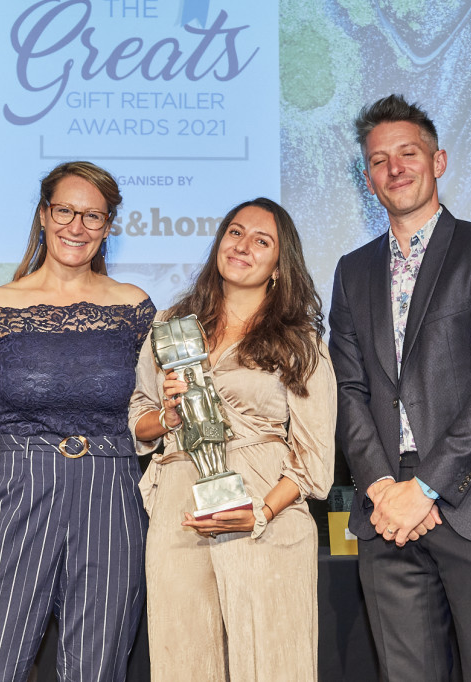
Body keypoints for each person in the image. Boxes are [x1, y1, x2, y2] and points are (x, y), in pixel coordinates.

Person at [329, 94, 471, 681]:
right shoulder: (352, 270)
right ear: (368, 177)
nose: (395, 168)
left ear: (438, 160)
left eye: (408, 153)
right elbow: (346, 388)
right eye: (379, 160)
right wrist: (381, 486)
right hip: (384, 509)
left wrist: (425, 487)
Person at [0, 161, 155, 681]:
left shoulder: (135, 307)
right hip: (16, 491)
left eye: (93, 217)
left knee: (97, 669)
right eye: (65, 210)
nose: (76, 227)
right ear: (43, 214)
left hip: (112, 497)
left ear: (108, 227)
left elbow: (154, 410)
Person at [130, 198, 336, 681]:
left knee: (273, 662)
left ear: (281, 267)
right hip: (179, 510)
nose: (243, 246)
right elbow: (138, 419)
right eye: (235, 233)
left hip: (266, 514)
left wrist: (259, 513)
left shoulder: (299, 341)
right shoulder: (171, 323)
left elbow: (315, 459)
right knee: (183, 659)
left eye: (261, 240)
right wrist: (167, 413)